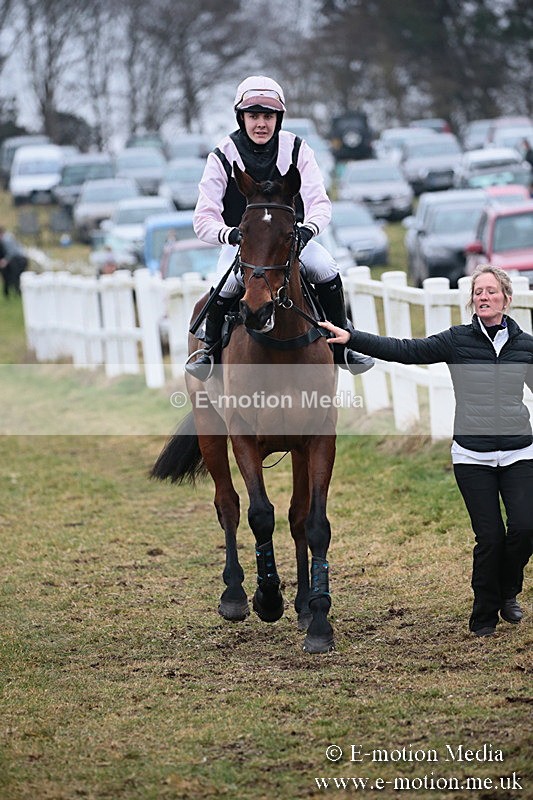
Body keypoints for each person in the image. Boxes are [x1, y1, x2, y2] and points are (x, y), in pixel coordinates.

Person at [321, 264, 533, 638]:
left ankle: (508, 593)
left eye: (491, 291)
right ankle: (484, 614)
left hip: (519, 453)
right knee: (491, 538)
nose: (483, 296)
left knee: (524, 528)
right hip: (473, 457)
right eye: (478, 291)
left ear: (507, 299)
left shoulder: (525, 346)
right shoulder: (456, 340)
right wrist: (351, 337)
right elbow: (406, 350)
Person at [186, 75, 373, 380]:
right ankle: (209, 351)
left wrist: (307, 231)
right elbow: (202, 218)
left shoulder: (298, 149)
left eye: (268, 116)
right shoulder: (223, 154)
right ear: (241, 117)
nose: (261, 123)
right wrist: (231, 235)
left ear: (279, 118)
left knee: (325, 266)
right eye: (254, 116)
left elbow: (320, 203)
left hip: (289, 240)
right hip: (243, 244)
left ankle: (342, 345)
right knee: (227, 281)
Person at [0, 226, 28, 297]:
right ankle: (10, 292)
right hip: (16, 259)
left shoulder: (7, 239)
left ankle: (17, 292)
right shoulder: (7, 237)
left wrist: (5, 260)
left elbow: (12, 252)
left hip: (19, 260)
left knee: (16, 276)